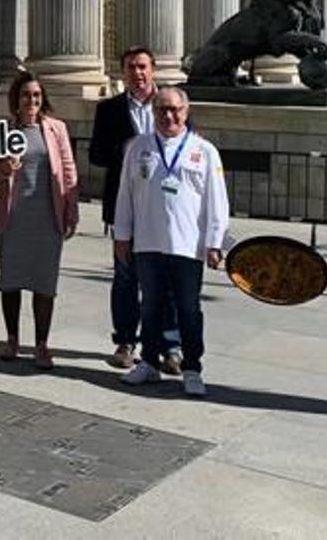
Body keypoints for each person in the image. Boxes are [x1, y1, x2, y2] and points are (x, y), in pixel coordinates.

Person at [114, 86, 229, 396]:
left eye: (175, 109)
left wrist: (214, 241)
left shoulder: (204, 151)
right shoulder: (138, 147)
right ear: (153, 114)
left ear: (186, 112)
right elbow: (125, 194)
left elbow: (217, 200)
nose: (169, 116)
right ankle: (149, 362)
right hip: (148, 243)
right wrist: (121, 235)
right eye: (162, 110)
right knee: (150, 304)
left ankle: (192, 368)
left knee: (188, 308)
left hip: (188, 246)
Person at [89, 46, 182, 373]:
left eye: (142, 67)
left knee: (167, 277)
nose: (137, 73)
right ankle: (126, 341)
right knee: (126, 276)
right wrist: (128, 150)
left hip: (166, 207)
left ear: (152, 70)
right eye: (131, 67)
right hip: (125, 206)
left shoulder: (172, 104)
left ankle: (170, 346)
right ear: (123, 72)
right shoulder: (109, 110)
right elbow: (96, 156)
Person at [0, 72, 79, 370]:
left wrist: (71, 211)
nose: (32, 100)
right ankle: (12, 338)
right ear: (16, 100)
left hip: (47, 216)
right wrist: (3, 169)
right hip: (13, 217)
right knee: (10, 281)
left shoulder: (56, 129)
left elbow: (68, 171)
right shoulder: (2, 131)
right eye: (26, 95)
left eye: (37, 95)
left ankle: (41, 344)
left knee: (44, 283)